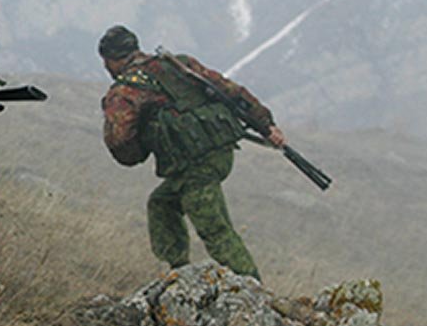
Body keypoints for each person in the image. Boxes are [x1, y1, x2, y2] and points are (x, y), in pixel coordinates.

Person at [98, 25, 288, 280]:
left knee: (214, 228)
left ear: (110, 60)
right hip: (220, 151)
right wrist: (265, 124)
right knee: (162, 203)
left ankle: (252, 287)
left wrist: (142, 146)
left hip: (195, 164)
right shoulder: (178, 64)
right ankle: (178, 272)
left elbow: (121, 144)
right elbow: (229, 89)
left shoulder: (125, 91)